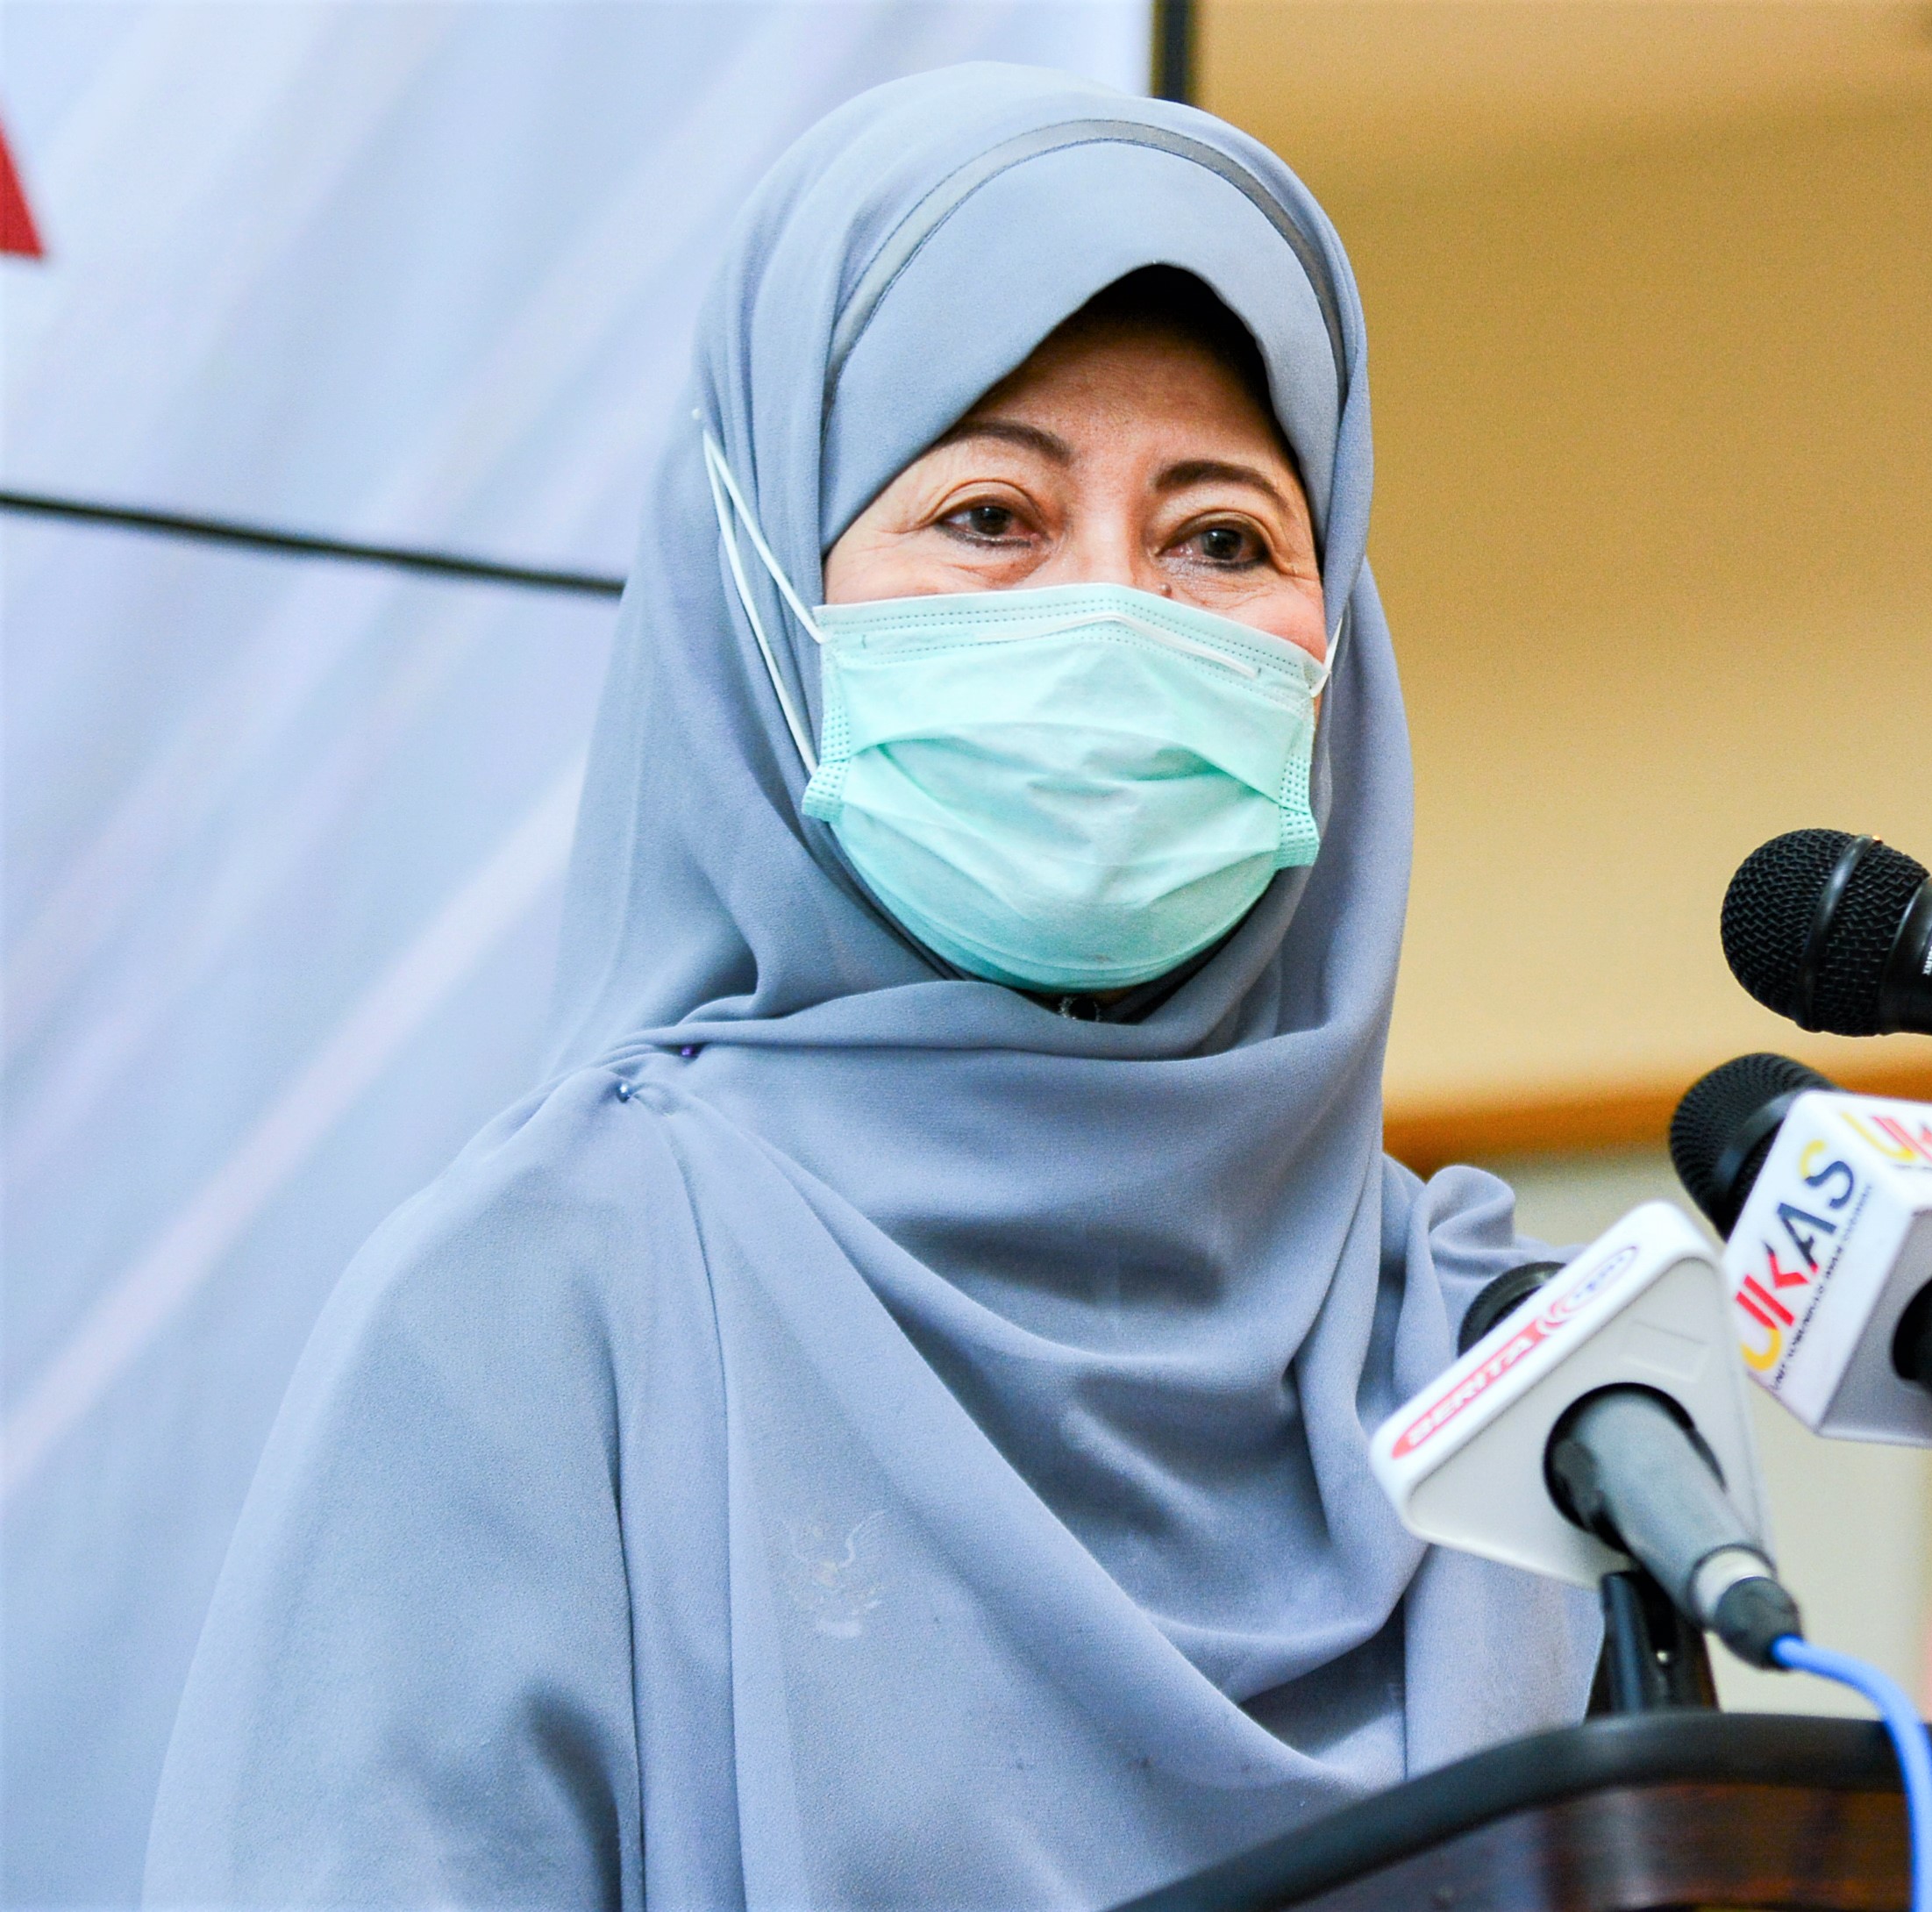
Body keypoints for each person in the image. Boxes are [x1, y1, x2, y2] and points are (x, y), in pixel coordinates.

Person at [142, 61, 1596, 1911]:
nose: (1112, 610)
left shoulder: (1488, 1351)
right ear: (769, 603)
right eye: (990, 514)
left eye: (1223, 538)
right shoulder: (548, 1307)